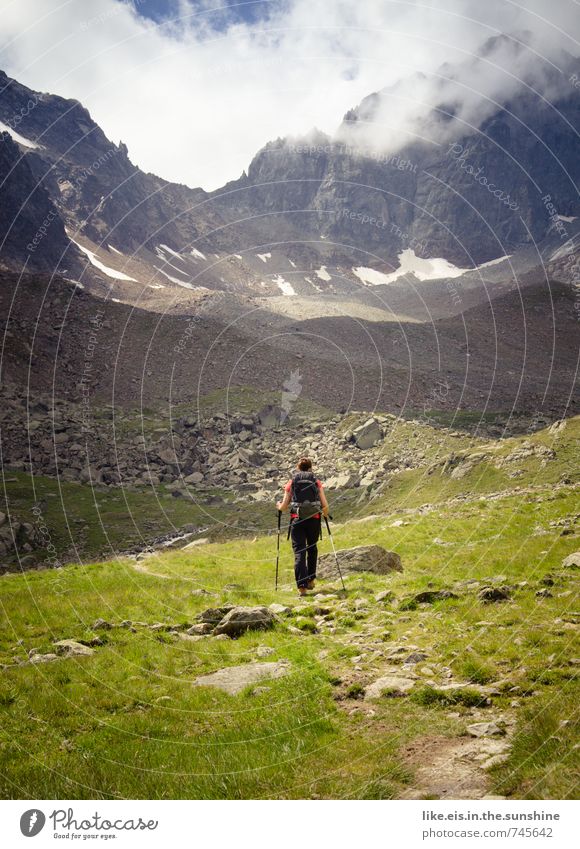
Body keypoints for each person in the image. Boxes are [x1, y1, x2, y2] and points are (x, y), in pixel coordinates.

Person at [276, 457, 329, 596]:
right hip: (314, 519)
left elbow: (284, 506)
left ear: (298, 468)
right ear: (310, 467)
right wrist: (325, 514)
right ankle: (311, 580)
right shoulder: (316, 482)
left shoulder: (292, 482)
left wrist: (278, 506)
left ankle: (302, 587)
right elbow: (325, 505)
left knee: (300, 552)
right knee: (312, 548)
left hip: (297, 520)